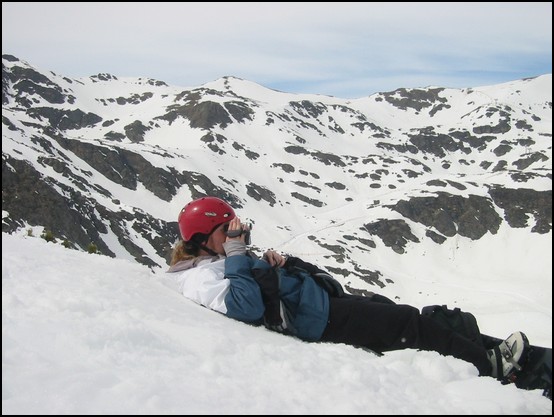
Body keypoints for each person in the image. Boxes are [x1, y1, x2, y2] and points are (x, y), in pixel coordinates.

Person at [167, 196, 529, 383]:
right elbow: (244, 307)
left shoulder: (217, 261)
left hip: (321, 304)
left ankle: (481, 346)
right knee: (406, 323)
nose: (237, 235)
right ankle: (489, 366)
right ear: (201, 237)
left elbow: (256, 287)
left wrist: (278, 263)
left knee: (394, 310)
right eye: (226, 230)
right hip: (319, 320)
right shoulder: (200, 277)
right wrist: (238, 255)